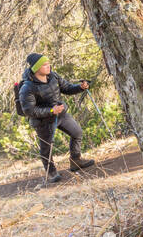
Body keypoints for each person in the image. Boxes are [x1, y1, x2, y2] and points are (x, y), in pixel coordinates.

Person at [18, 53, 95, 182]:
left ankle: (76, 161)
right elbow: (29, 110)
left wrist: (80, 87)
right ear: (36, 68)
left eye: (48, 63)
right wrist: (51, 110)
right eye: (45, 65)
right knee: (47, 147)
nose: (48, 66)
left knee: (77, 133)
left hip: (61, 114)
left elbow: (67, 88)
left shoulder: (53, 76)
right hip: (43, 121)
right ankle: (52, 173)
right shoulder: (27, 87)